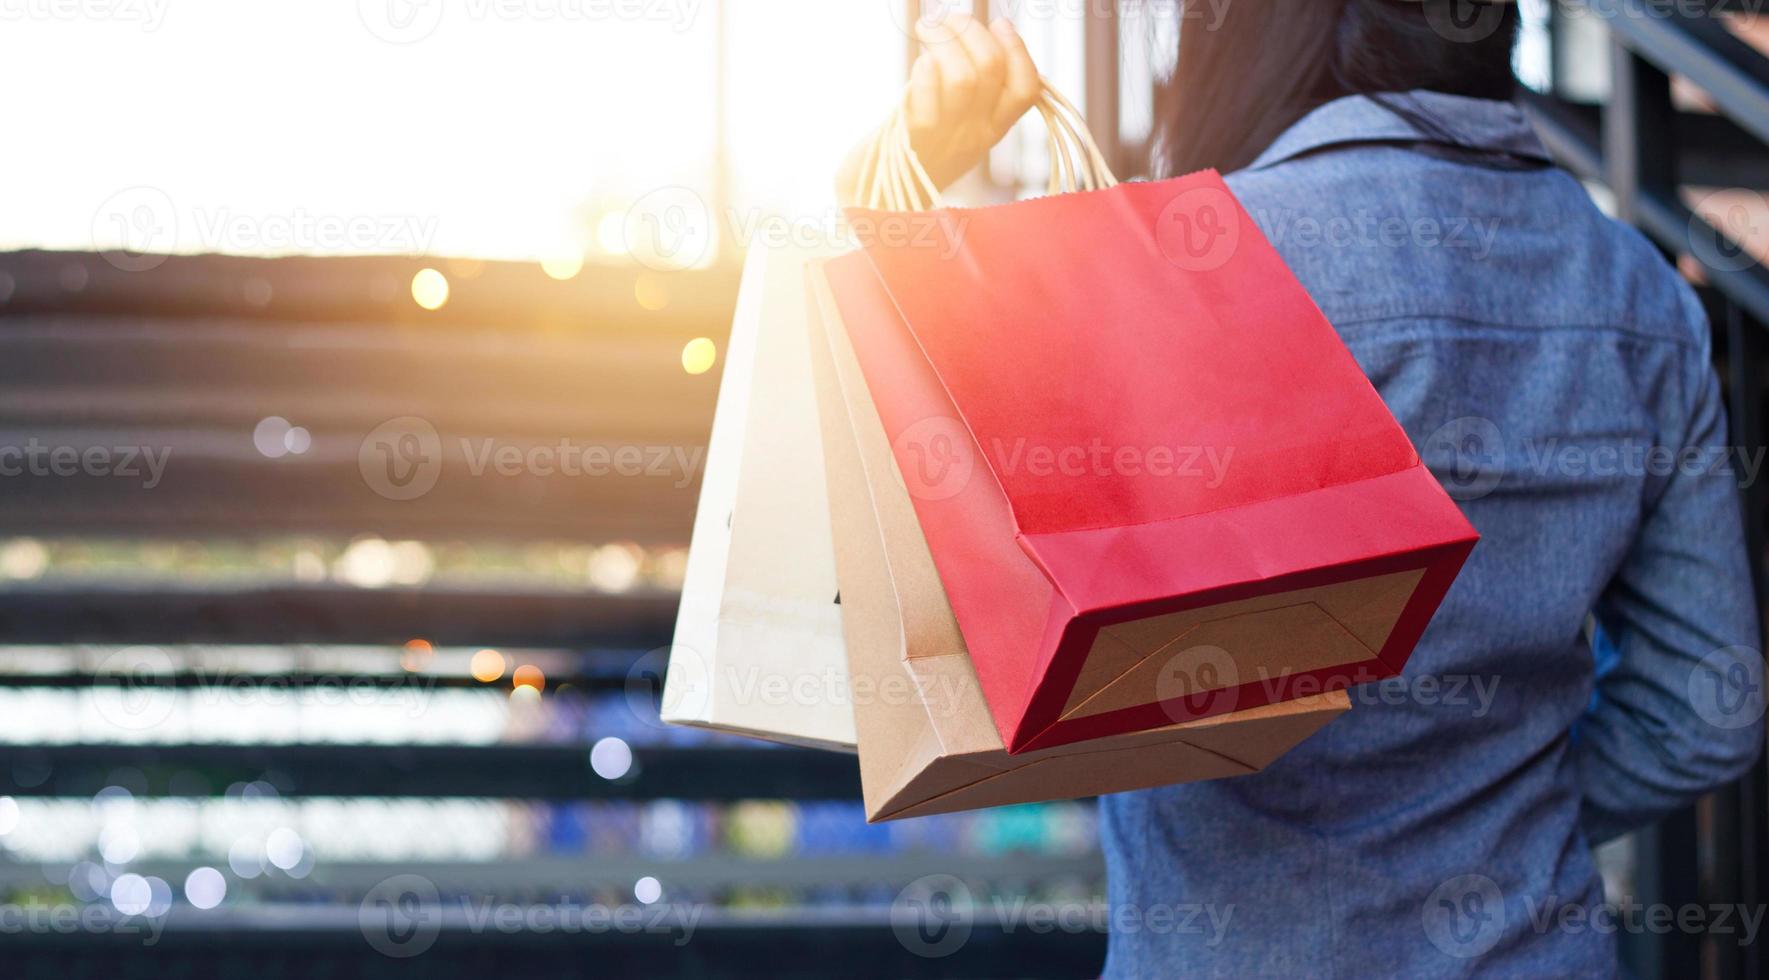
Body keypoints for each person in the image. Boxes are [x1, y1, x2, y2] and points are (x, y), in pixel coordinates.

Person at [841, 3, 1765, 976]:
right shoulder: (1636, 291)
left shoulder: (1182, 261)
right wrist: (1501, 802)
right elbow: (1705, 712)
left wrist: (909, 174)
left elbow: (941, 565)